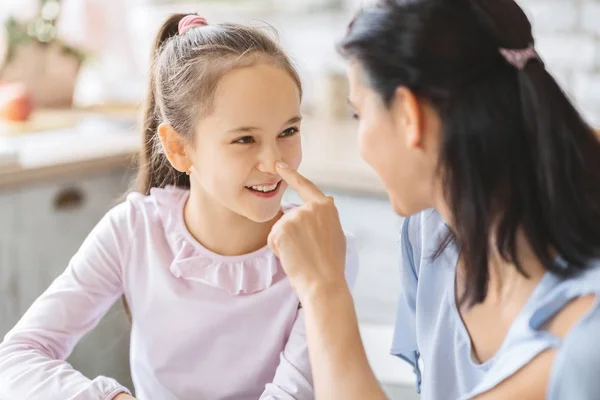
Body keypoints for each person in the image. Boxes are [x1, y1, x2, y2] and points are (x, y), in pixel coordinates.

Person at [0, 14, 358, 400]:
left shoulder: (322, 249)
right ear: (178, 148)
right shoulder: (133, 231)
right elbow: (17, 357)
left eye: (288, 131)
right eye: (244, 140)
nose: (274, 162)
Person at [267, 0, 600, 399]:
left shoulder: (583, 337)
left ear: (410, 115)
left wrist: (323, 288)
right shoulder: (429, 233)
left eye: (360, 115)